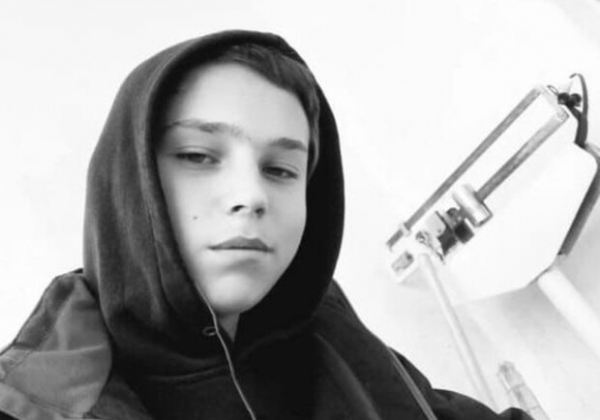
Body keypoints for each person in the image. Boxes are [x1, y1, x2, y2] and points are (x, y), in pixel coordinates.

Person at [0, 30, 532, 420]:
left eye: (281, 170)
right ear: (126, 178)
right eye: (198, 156)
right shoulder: (34, 401)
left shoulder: (331, 331)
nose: (253, 196)